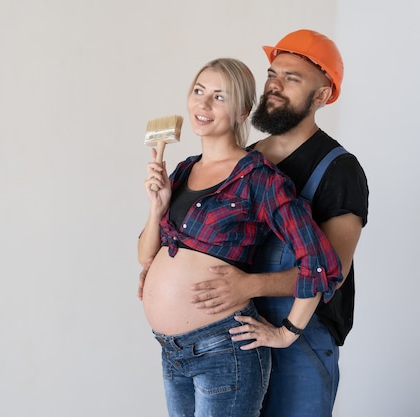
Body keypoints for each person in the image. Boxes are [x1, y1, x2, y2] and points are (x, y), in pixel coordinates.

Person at [140, 30, 369, 417]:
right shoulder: (239, 161)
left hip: (299, 341)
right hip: (232, 330)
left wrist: (254, 290)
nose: (275, 86)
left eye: (292, 79)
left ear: (322, 95)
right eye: (272, 75)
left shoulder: (337, 170)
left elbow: (331, 271)